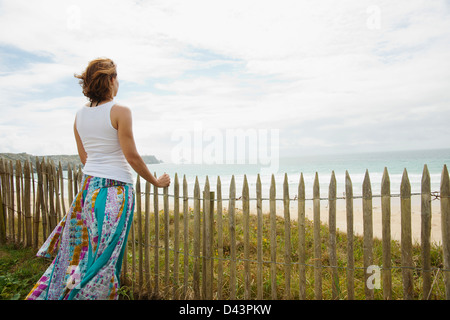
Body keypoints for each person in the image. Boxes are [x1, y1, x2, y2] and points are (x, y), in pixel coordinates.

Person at [26, 57, 170, 300]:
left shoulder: (79, 116)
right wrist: (156, 181)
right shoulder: (120, 111)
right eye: (117, 77)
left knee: (82, 253)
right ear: (111, 80)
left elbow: (85, 158)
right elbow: (132, 156)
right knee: (105, 258)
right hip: (115, 192)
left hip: (88, 190)